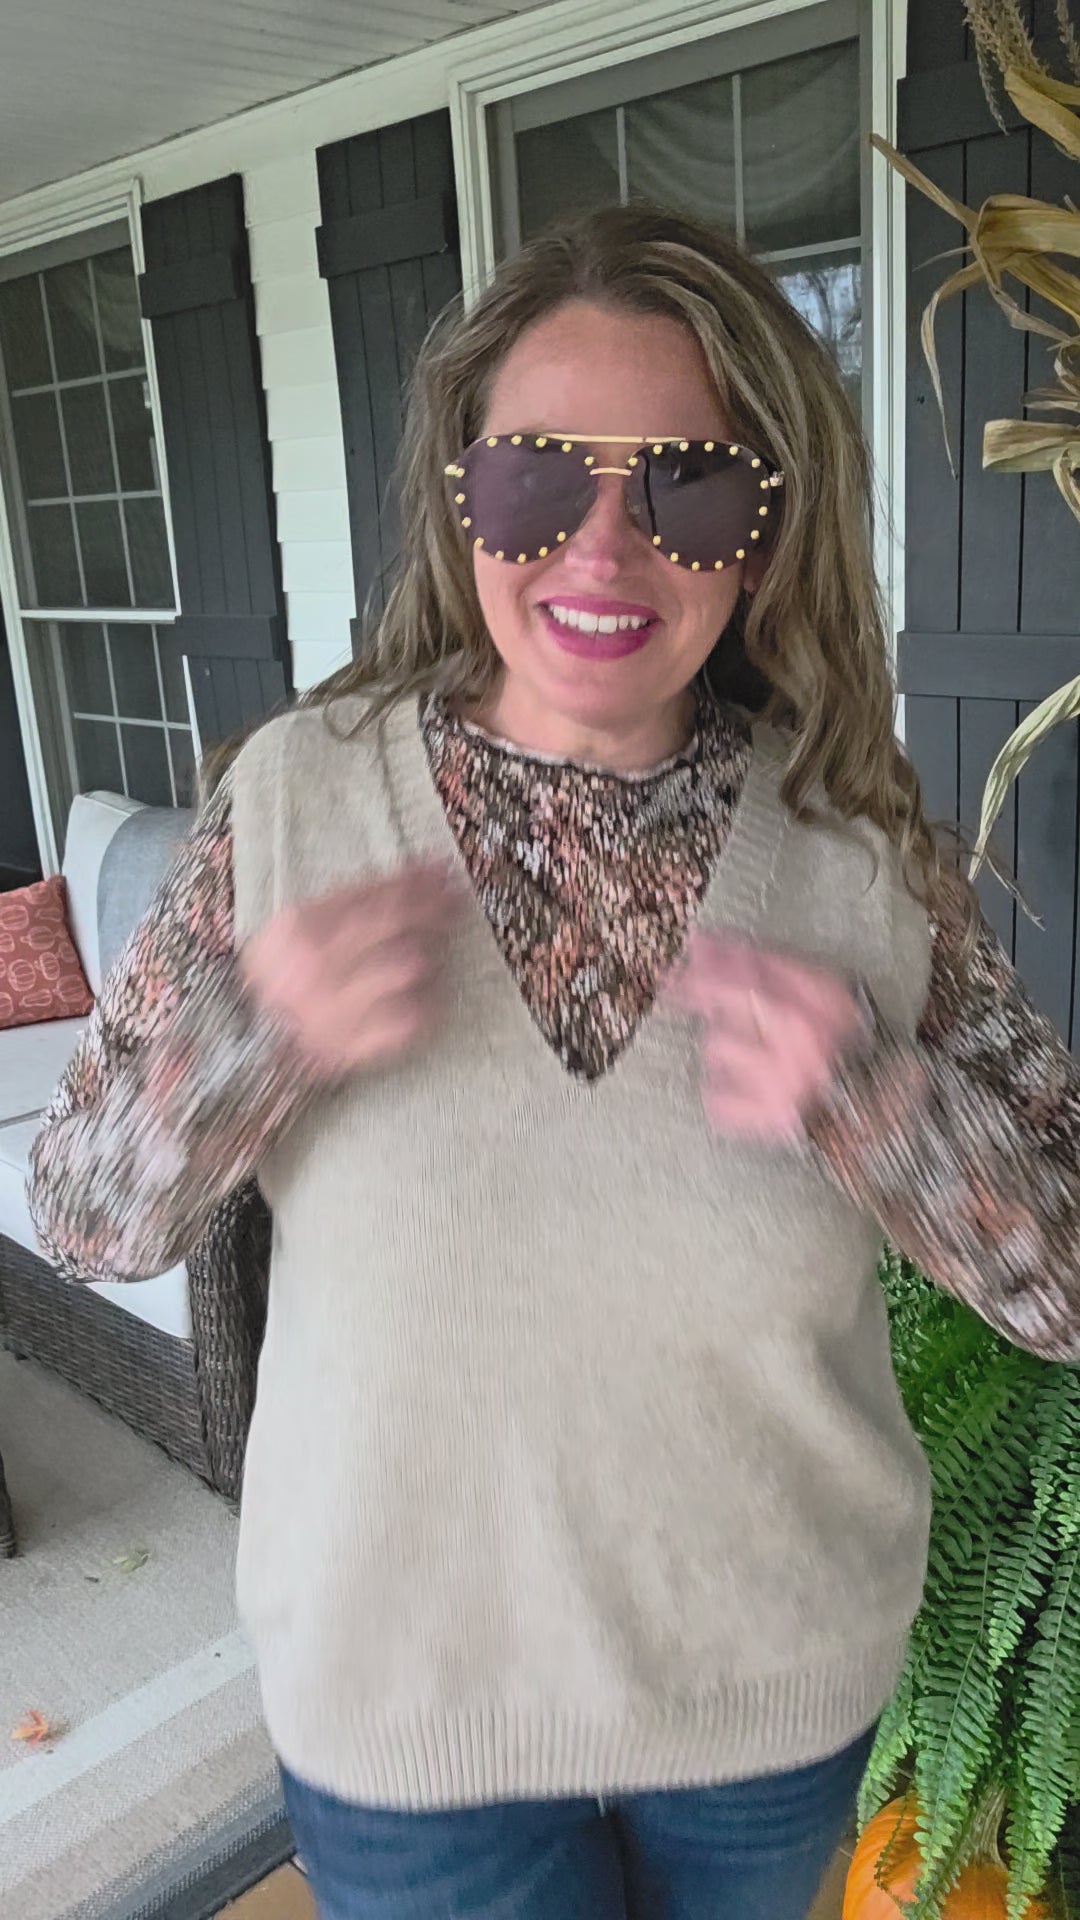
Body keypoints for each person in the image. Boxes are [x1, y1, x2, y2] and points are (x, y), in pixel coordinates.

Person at [27, 203, 1080, 1920]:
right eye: (535, 477)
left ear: (765, 528)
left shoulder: (858, 849)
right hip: (408, 1709)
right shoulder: (295, 803)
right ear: (463, 500)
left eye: (688, 487)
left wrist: (888, 1114)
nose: (603, 547)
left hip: (773, 1698)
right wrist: (241, 1043)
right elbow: (81, 1217)